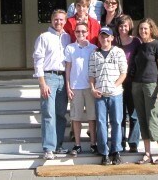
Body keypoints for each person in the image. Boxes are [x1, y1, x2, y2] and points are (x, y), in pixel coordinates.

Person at [32, 9, 71, 160]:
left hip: (63, 78)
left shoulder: (67, 38)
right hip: (49, 77)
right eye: (56, 19)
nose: (59, 22)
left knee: (60, 114)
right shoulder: (44, 37)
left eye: (61, 20)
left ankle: (59, 145)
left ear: (65, 21)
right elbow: (37, 61)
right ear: (51, 20)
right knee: (48, 113)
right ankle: (48, 148)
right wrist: (42, 83)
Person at [131, 18, 158, 165]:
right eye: (141, 29)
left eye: (146, 29)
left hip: (151, 85)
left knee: (152, 119)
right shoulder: (139, 47)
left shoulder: (157, 45)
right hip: (137, 85)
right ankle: (147, 153)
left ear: (151, 29)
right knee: (141, 118)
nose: (143, 31)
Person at [89, 26, 127, 166]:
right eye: (102, 36)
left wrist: (115, 85)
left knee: (116, 122)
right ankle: (104, 152)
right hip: (99, 94)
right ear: (99, 37)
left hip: (115, 94)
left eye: (107, 36)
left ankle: (116, 151)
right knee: (101, 123)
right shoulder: (94, 54)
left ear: (111, 38)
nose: (104, 38)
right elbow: (91, 74)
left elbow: (123, 73)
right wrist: (93, 89)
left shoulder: (118, 52)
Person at [64, 22, 98, 157]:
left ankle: (93, 144)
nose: (81, 34)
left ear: (88, 32)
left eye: (83, 31)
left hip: (90, 87)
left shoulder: (94, 48)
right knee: (76, 118)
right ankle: (77, 145)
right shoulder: (70, 48)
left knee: (92, 117)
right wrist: (68, 87)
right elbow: (67, 69)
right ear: (74, 33)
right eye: (78, 31)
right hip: (75, 87)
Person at [116, 14, 141, 153]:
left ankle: (133, 143)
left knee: (133, 114)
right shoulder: (114, 41)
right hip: (118, 82)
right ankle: (120, 142)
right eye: (120, 26)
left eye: (125, 25)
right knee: (119, 114)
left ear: (130, 26)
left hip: (133, 81)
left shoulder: (136, 42)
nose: (123, 28)